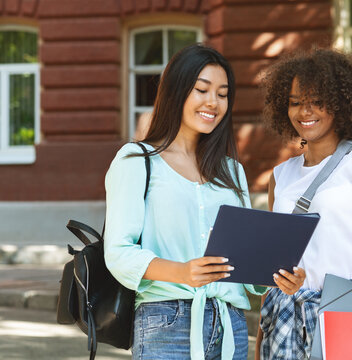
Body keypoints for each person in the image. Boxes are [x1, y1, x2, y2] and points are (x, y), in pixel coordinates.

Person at [103, 44, 303, 360]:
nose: (213, 102)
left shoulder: (231, 170)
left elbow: (244, 259)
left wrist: (276, 277)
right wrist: (182, 272)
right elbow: (118, 252)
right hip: (166, 323)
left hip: (231, 323)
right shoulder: (136, 160)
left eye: (223, 94)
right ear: (177, 91)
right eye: (202, 90)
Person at [255, 48, 352, 360]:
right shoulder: (281, 176)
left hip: (348, 321)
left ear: (340, 102)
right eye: (295, 102)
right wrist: (259, 343)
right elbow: (275, 272)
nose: (305, 111)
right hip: (284, 325)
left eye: (316, 101)